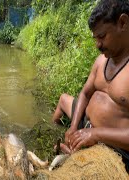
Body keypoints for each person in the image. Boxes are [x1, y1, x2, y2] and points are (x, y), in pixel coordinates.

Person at [52, 0, 129, 171]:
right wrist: (73, 127)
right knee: (63, 99)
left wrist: (95, 134)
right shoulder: (101, 61)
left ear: (123, 23)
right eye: (95, 38)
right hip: (86, 126)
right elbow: (85, 94)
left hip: (113, 147)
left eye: (102, 37)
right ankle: (62, 134)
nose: (98, 45)